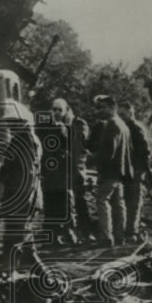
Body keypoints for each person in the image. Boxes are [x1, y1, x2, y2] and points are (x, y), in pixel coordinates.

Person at [0, 119, 43, 260]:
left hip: (20, 191)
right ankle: (31, 259)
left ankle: (11, 266)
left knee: (15, 229)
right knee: (23, 227)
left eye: (12, 123)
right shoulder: (28, 138)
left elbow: (24, 170)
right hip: (25, 190)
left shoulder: (23, 140)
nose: (9, 127)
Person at [91, 95, 133, 247]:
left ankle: (106, 237)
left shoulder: (112, 125)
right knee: (118, 204)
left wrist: (94, 158)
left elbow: (109, 151)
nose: (99, 111)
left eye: (103, 107)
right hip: (119, 172)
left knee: (102, 201)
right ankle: (120, 236)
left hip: (109, 172)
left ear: (112, 107)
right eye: (98, 107)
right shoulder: (123, 125)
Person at [52, 98, 94, 242]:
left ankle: (86, 232)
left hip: (76, 167)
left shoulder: (79, 124)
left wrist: (66, 130)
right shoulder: (54, 126)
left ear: (66, 110)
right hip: (62, 169)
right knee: (65, 202)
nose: (57, 113)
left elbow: (79, 143)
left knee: (80, 201)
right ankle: (68, 232)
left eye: (60, 110)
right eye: (54, 109)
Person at [38, 110, 77, 245]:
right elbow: (69, 144)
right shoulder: (61, 129)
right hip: (60, 173)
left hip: (50, 173)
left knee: (51, 206)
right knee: (65, 204)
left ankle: (52, 236)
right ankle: (68, 234)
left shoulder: (43, 131)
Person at [117, 101, 152, 242]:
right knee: (123, 201)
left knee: (133, 201)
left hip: (135, 171)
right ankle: (125, 230)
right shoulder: (121, 128)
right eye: (119, 115)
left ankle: (132, 231)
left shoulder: (136, 128)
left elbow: (145, 151)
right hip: (123, 170)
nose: (121, 117)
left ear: (131, 113)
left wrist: (147, 170)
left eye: (123, 114)